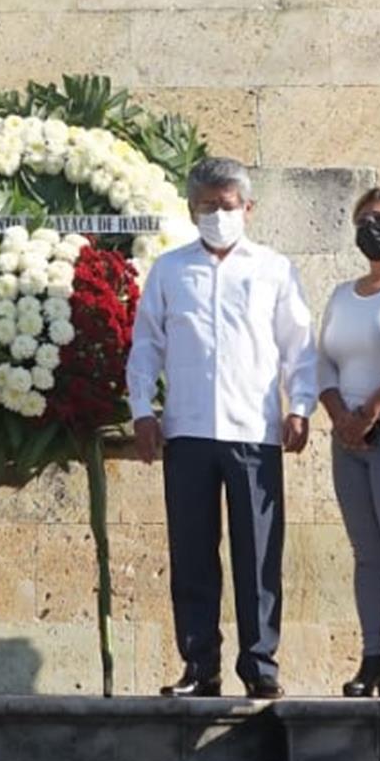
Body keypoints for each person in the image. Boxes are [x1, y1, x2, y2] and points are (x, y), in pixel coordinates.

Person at [127, 156, 317, 700]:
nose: (217, 215)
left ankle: (260, 664)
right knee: (191, 550)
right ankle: (198, 664)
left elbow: (297, 346)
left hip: (254, 431)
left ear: (248, 208)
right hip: (187, 429)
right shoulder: (169, 270)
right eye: (207, 206)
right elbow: (147, 345)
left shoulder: (274, 269)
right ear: (191, 209)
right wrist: (143, 407)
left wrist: (299, 405)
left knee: (257, 554)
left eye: (227, 206)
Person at [317, 185, 380, 699]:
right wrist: (339, 415)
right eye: (363, 220)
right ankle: (372, 651)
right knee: (366, 550)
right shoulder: (341, 294)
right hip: (347, 436)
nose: (372, 229)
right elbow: (324, 358)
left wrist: (373, 409)